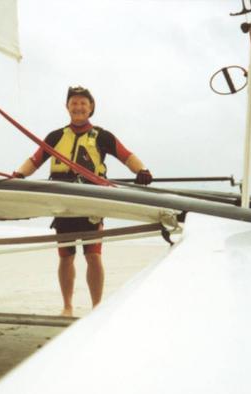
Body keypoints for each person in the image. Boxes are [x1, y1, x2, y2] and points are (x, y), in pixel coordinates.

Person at [13, 86, 153, 317]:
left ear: (91, 108)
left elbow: (126, 155)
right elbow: (35, 160)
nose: (78, 107)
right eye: (74, 103)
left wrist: (143, 170)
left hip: (92, 202)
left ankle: (97, 308)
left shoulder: (102, 136)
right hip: (63, 202)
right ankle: (67, 307)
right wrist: (18, 175)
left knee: (93, 255)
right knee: (66, 256)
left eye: (83, 103)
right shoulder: (56, 136)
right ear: (67, 107)